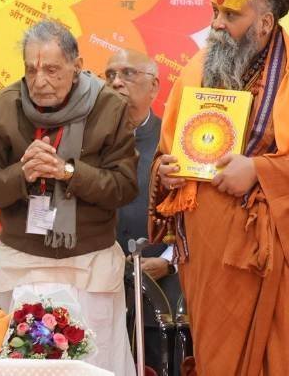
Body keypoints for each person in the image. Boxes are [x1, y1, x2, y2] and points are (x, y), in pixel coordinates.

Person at [151, 0, 289, 375]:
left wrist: (259, 169)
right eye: (215, 12)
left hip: (271, 256)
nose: (217, 24)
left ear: (265, 22)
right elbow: (167, 153)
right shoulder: (196, 69)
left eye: (231, 15)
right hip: (207, 258)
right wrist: (165, 172)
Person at [0, 20, 138, 375]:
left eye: (52, 70)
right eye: (31, 70)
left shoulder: (109, 107)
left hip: (89, 265)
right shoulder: (2, 108)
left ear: (77, 67)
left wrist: (68, 172)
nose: (39, 81)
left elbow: (124, 188)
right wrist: (22, 173)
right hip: (23, 264)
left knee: (95, 366)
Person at [104, 49, 181, 367]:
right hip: (100, 292)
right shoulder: (88, 140)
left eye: (128, 73)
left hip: (161, 295)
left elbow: (198, 214)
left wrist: (170, 261)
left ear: (154, 87)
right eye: (110, 75)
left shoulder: (175, 140)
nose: (116, 82)